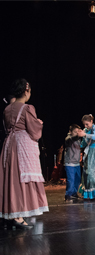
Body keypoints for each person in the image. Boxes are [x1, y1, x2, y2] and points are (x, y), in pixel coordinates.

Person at [0, 79, 48, 229]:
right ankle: (18, 215)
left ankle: (10, 212)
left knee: (10, 178)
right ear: (26, 91)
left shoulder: (7, 109)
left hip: (8, 145)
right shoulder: (27, 108)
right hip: (21, 146)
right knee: (20, 179)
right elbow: (34, 131)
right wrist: (39, 123)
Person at [64, 124, 82, 202]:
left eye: (78, 132)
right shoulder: (68, 138)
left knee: (77, 180)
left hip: (77, 163)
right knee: (71, 180)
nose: (77, 133)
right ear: (70, 132)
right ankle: (68, 195)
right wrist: (79, 135)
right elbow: (72, 139)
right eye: (75, 132)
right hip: (69, 163)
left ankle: (74, 193)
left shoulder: (78, 139)